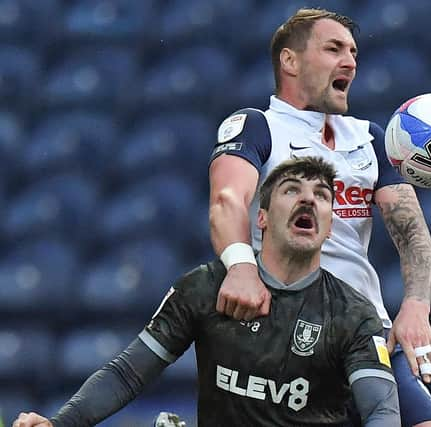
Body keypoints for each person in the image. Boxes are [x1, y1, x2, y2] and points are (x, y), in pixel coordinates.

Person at [12, 157, 400, 427]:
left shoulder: (353, 313)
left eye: (321, 195)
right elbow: (128, 373)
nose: (308, 199)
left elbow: (381, 410)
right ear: (260, 218)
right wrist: (59, 423)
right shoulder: (205, 287)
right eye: (292, 190)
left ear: (329, 227)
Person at [208, 7, 431, 427]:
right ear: (290, 61)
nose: (350, 61)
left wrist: (416, 306)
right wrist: (240, 267)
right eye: (333, 48)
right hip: (287, 338)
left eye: (353, 52)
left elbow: (412, 234)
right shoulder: (257, 127)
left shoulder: (371, 138)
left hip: (366, 332)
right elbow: (227, 200)